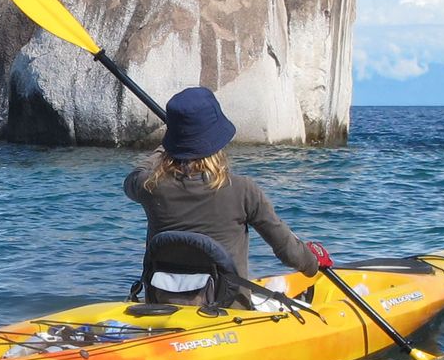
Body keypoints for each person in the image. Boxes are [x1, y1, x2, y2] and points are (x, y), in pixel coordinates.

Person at [123, 86, 328, 296]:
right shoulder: (243, 190)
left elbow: (136, 174)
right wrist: (313, 261)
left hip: (161, 305)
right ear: (217, 140)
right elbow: (289, 252)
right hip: (228, 310)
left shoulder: (149, 187)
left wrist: (170, 144)